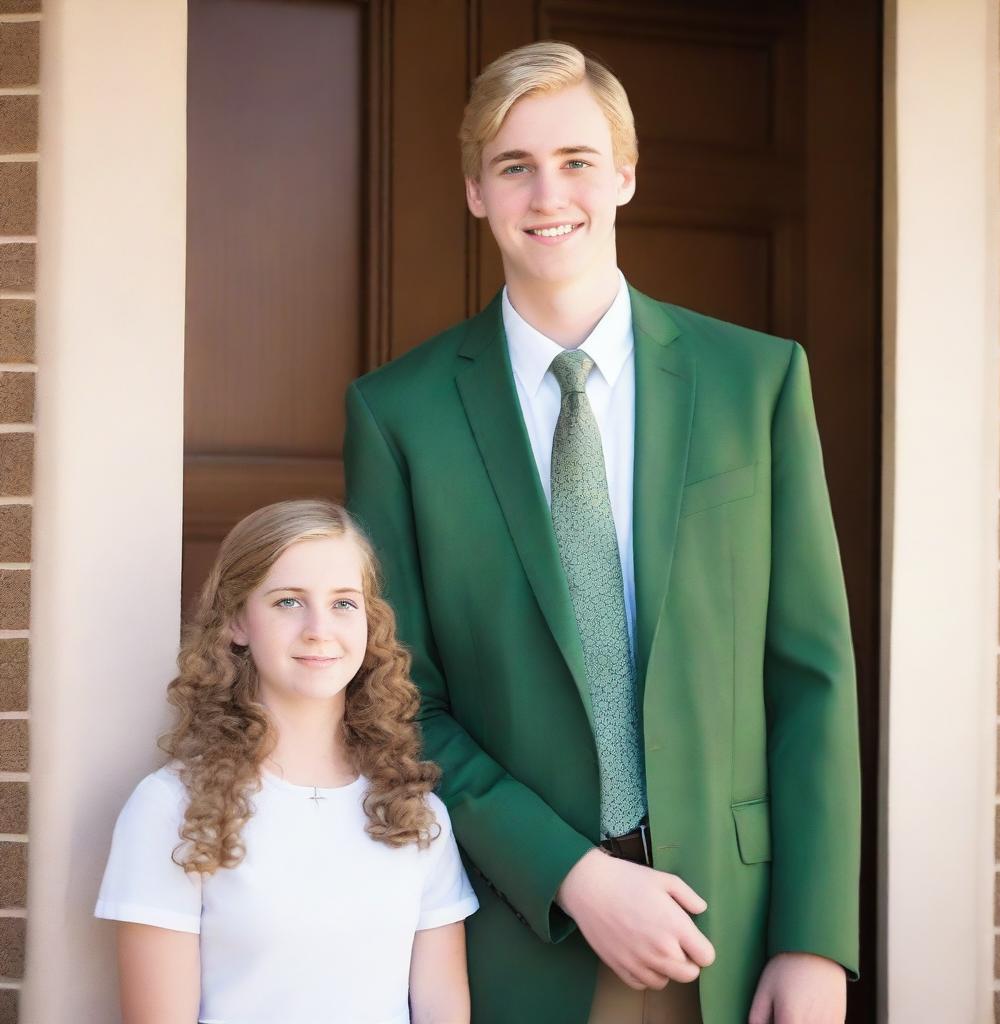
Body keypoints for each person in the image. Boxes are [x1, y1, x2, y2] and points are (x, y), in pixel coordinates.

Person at [343, 41, 860, 1024]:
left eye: (576, 159)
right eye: (514, 167)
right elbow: (396, 699)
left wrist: (814, 937)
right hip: (513, 937)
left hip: (735, 931)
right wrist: (571, 872)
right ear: (474, 193)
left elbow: (811, 674)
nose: (549, 193)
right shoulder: (397, 415)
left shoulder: (756, 383)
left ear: (623, 173)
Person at [95, 499, 478, 1024]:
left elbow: (440, 1010)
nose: (320, 628)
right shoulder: (172, 809)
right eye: (288, 602)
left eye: (344, 603)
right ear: (236, 621)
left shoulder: (416, 813)